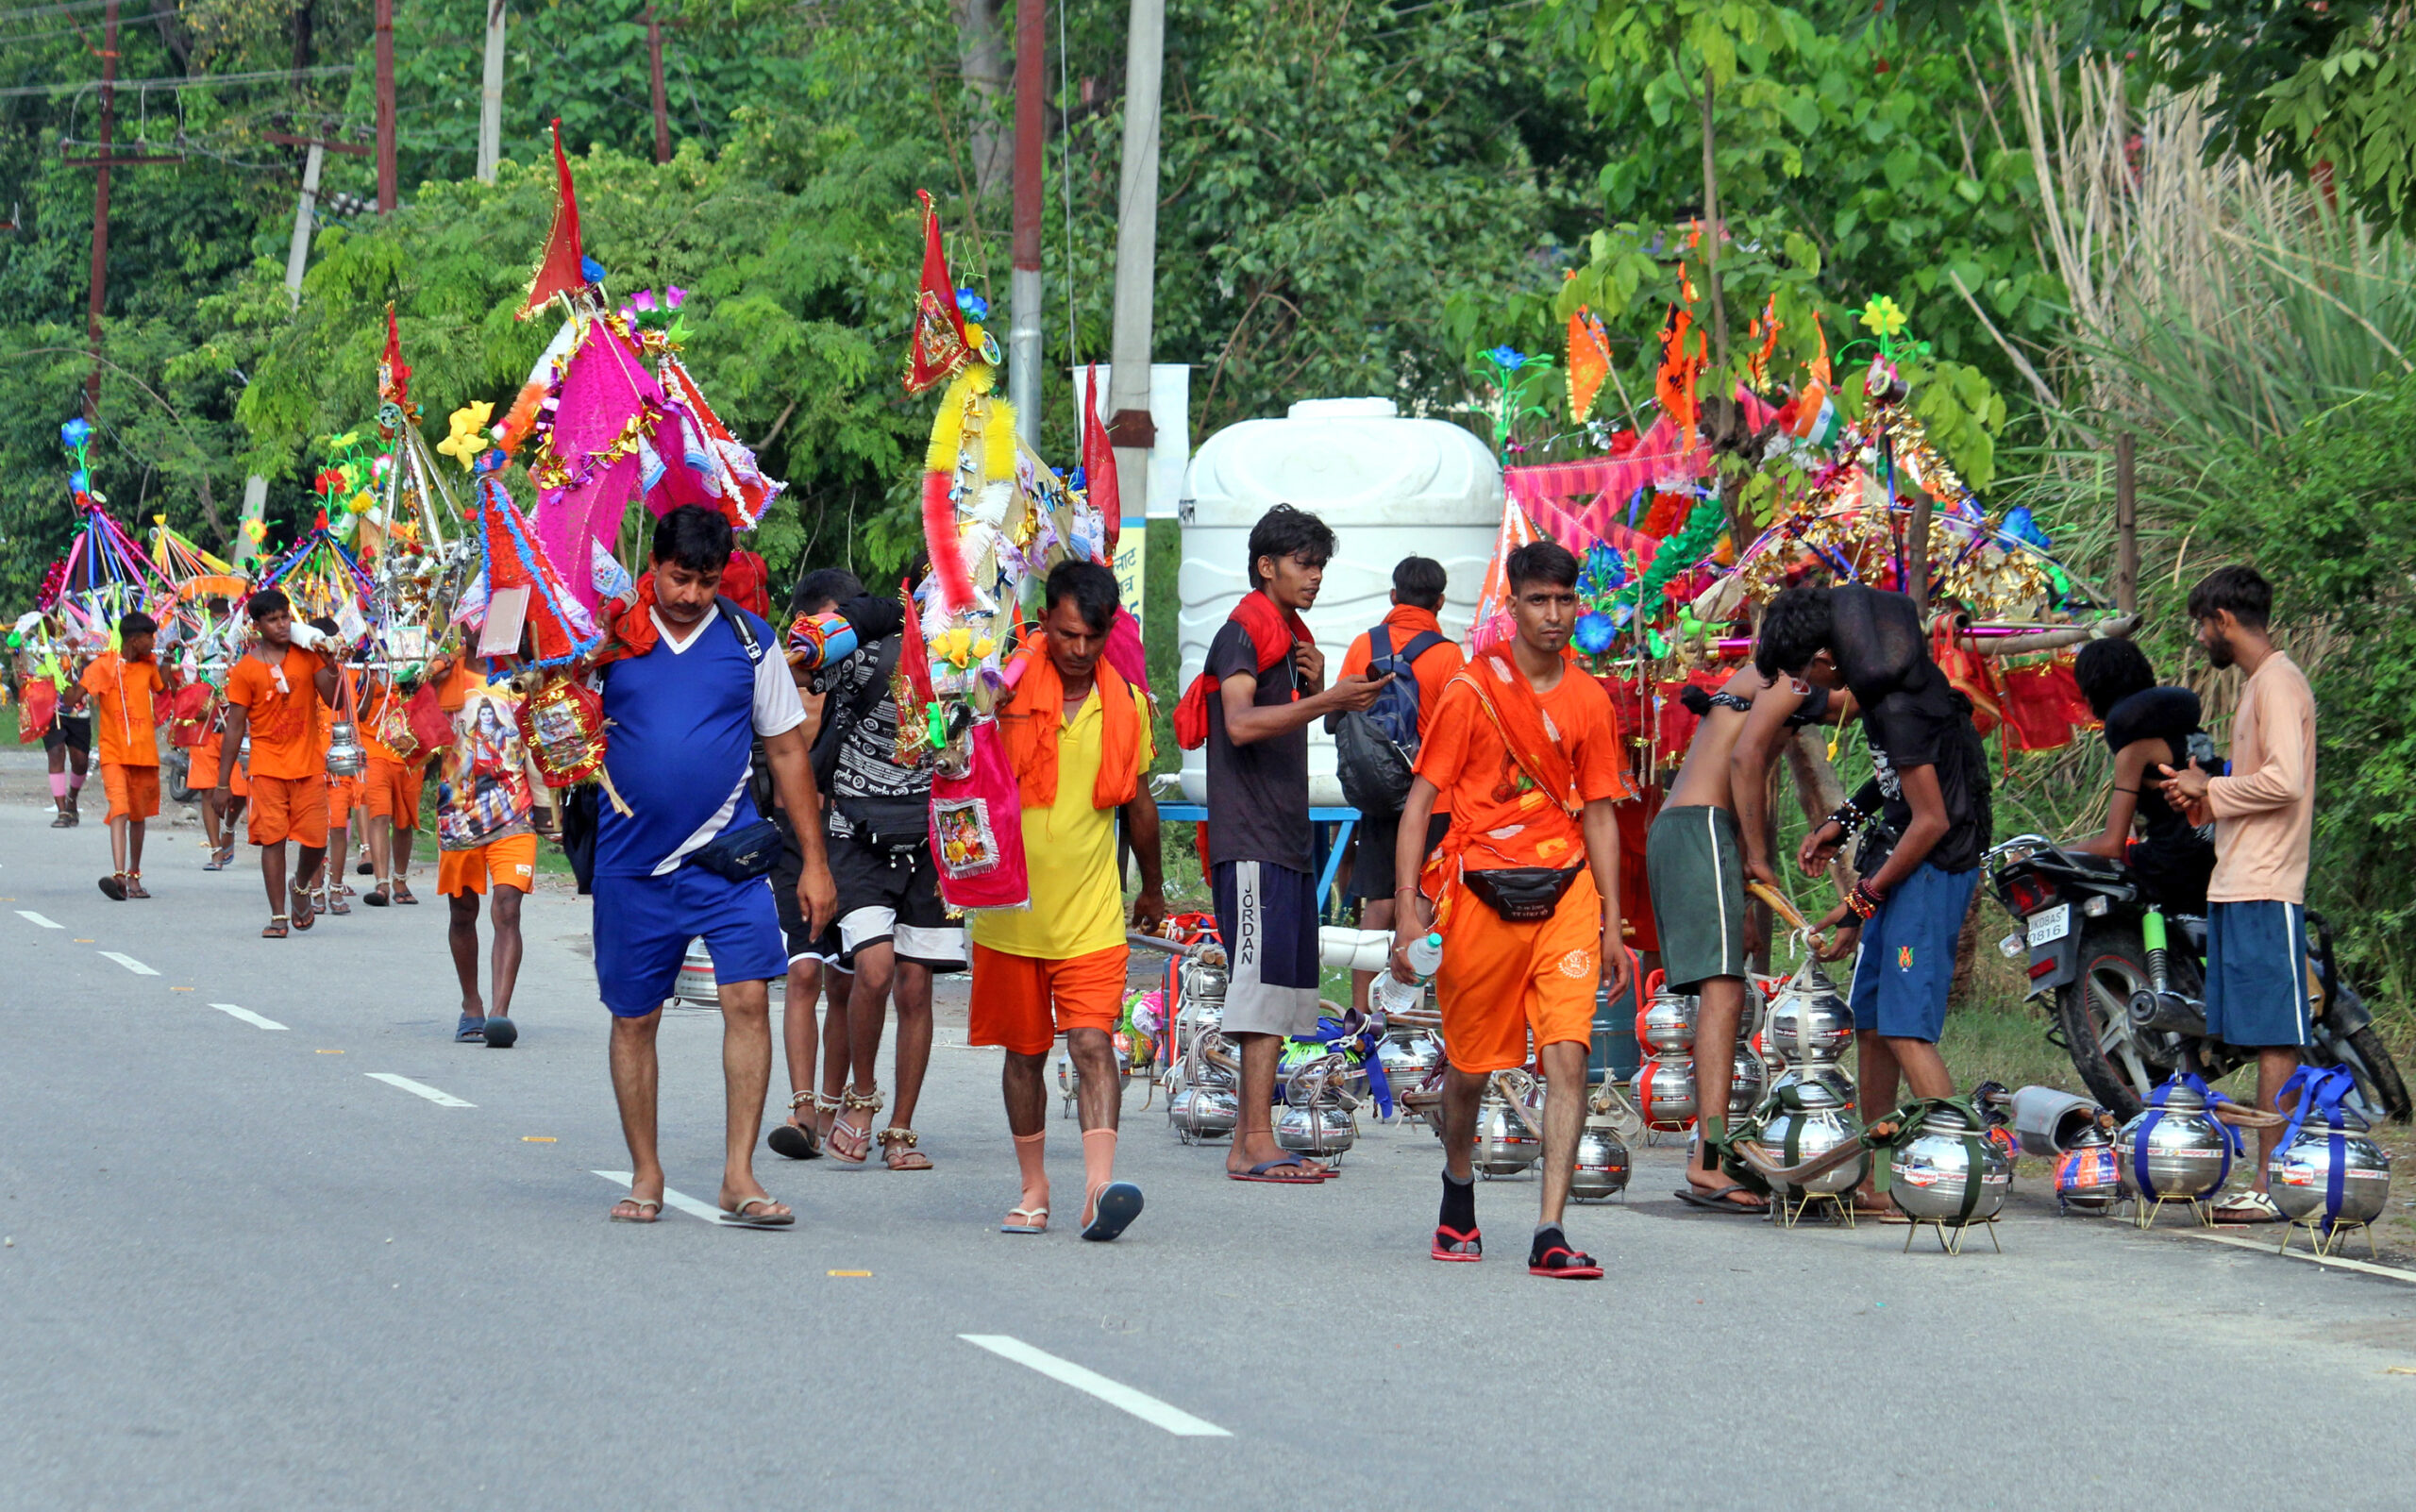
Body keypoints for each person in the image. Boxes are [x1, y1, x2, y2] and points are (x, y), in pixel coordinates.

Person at [1389, 541, 1633, 1276]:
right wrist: (1408, 907)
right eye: (1538, 601)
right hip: (1480, 899)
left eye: (1565, 601)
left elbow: (1599, 814)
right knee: (1468, 1069)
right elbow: (1421, 801)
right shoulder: (1471, 691)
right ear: (1513, 606)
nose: (1553, 615)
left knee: (1568, 1057)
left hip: (1566, 896)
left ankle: (1549, 1231)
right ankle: (1457, 1191)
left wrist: (1612, 920)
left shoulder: (1591, 699)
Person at [590, 505, 837, 1227]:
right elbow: (557, 709)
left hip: (727, 861)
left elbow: (789, 750)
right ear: (653, 567)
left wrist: (814, 863)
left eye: (705, 581)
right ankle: (646, 1173)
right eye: (678, 579)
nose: (692, 595)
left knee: (749, 1001)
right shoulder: (610, 635)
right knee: (634, 1019)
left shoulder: (749, 639)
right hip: (631, 866)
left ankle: (739, 1175)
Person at [1758, 583, 1993, 1216]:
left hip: (1933, 868)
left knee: (1905, 1027)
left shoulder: (1901, 707)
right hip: (1902, 863)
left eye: (1803, 676)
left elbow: (1930, 821)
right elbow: (1897, 781)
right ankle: (1874, 1180)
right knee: (1871, 1022)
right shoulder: (1889, 693)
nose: (1806, 691)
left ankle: (1958, 1174)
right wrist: (1843, 821)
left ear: (1829, 660)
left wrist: (1861, 900)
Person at [972, 561, 1166, 1239]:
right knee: (1023, 1054)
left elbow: (1139, 804)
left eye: (1093, 637)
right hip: (1008, 914)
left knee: (1091, 1042)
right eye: (1066, 635)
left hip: (1091, 914)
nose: (1080, 651)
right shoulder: (1001, 689)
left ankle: (1098, 1187)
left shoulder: (1129, 704)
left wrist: (1153, 887)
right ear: (1044, 622)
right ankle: (1033, 1188)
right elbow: (954, 765)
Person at [1200, 504, 1393, 1183]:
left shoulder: (1287, 636)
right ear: (1267, 566)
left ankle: (1261, 1137)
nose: (1314, 577)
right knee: (1256, 991)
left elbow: (1282, 718)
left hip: (1282, 837)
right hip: (1251, 835)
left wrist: (1327, 694)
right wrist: (1324, 698)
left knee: (1281, 990)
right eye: (1303, 564)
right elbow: (1242, 723)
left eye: (1320, 565)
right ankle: (1249, 1143)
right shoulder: (1243, 632)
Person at [1652, 665, 1843, 1213]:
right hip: (1701, 828)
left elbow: (1841, 703)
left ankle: (1713, 1153)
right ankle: (1708, 1161)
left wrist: (1741, 886)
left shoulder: (1768, 680)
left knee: (1725, 988)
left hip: (1694, 831)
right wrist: (1757, 859)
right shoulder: (1781, 676)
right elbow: (1743, 763)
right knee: (1723, 991)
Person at [2157, 565, 2316, 1224]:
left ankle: (2272, 1182)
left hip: (2265, 882)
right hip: (2238, 879)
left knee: (2276, 1036)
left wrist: (2212, 791)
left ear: (2223, 618)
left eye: (2202, 624)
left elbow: (2284, 782)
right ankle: (2267, 1175)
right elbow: (2257, 783)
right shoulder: (2261, 685)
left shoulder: (2277, 682)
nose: (2201, 638)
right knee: (2254, 1034)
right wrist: (2205, 791)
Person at [815, 561, 959, 1171]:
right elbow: (798, 665)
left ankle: (901, 1129)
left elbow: (971, 747)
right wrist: (843, 625)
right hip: (857, 832)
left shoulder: (970, 667)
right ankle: (862, 1100)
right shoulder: (870, 653)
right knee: (873, 971)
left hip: (929, 838)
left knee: (917, 985)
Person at [1329, 555, 1463, 1015]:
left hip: (1378, 795)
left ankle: (1360, 1016)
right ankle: (1410, 1013)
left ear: (1393, 597)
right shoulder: (1448, 656)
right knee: (1422, 897)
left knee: (1379, 902)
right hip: (1432, 800)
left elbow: (1337, 715)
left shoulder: (1363, 645)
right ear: (1440, 602)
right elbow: (1456, 731)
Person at [764, 566, 867, 1160]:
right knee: (803, 971)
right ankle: (801, 1109)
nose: (832, 635)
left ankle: (831, 1104)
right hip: (789, 838)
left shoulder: (868, 674)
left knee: (848, 979)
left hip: (853, 837)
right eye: (823, 624)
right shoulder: (778, 672)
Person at [432, 652, 546, 1048]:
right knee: (462, 911)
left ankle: (499, 1012)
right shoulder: (446, 673)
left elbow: (542, 742)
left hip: (515, 813)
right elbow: (417, 724)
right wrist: (429, 682)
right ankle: (472, 1005)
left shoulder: (529, 675)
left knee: (508, 908)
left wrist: (549, 809)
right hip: (458, 813)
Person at [214, 589, 339, 938]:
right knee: (274, 840)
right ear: (257, 626)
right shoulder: (245, 670)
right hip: (267, 768)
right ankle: (278, 916)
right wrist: (223, 784)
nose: (282, 624)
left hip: (309, 765)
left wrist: (331, 669)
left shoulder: (307, 655)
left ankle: (300, 886)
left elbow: (331, 699)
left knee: (317, 841)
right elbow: (235, 727)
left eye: (285, 616)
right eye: (272, 619)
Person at [2068, 637, 2216, 911]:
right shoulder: (2193, 734)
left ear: (2093, 691)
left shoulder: (2134, 752)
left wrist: (2048, 853)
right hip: (2219, 855)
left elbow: (2112, 845)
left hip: (2176, 865)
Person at [82, 611, 167, 901]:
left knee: (139, 816)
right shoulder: (104, 666)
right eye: (149, 638)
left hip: (144, 753)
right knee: (119, 808)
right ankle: (119, 875)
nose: (153, 642)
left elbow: (161, 688)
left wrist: (167, 659)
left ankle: (134, 875)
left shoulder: (149, 666)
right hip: (113, 752)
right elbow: (75, 695)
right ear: (133, 639)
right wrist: (76, 681)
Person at [360, 669, 428, 907]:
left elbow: (428, 707)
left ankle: (400, 880)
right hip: (374, 749)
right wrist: (371, 680)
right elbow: (357, 712)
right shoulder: (364, 664)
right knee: (379, 814)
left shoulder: (420, 662)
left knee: (404, 820)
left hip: (408, 752)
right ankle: (381, 884)